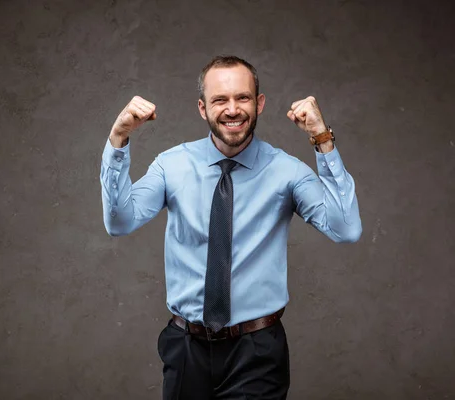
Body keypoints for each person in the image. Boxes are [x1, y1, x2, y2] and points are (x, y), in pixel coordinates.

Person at [99, 55, 362, 400]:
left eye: (243, 98)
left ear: (260, 103)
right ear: (202, 108)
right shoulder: (171, 165)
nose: (232, 109)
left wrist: (321, 138)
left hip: (257, 352)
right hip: (186, 348)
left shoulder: (287, 171)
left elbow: (346, 228)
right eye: (220, 99)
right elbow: (119, 221)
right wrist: (118, 138)